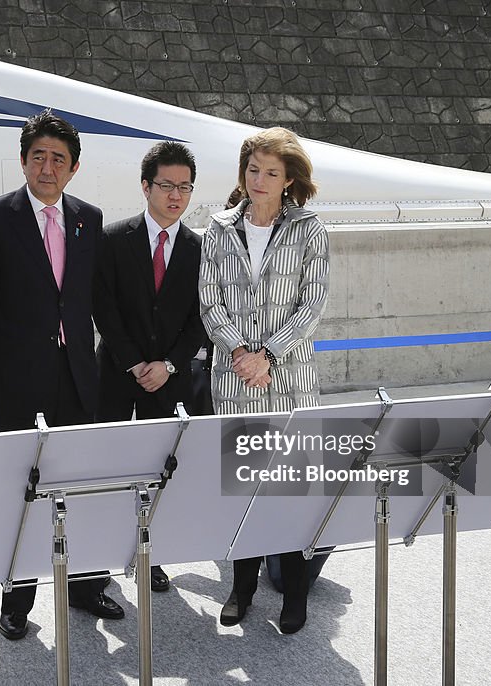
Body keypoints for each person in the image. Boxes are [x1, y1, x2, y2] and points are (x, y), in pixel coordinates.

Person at [0, 109, 122, 640]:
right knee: (21, 493)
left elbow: (93, 299)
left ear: (73, 168)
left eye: (59, 158)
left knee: (79, 486)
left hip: (78, 376)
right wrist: (14, 354)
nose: (47, 167)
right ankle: (16, 603)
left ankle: (86, 588)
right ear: (24, 160)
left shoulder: (88, 218)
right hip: (19, 381)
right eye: (39, 156)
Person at [199, 127, 330, 635]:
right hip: (234, 382)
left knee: (290, 494)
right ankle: (242, 590)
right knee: (244, 491)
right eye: (253, 169)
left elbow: (312, 305)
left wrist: (268, 356)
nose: (259, 179)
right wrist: (239, 351)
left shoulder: (310, 230)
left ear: (288, 178)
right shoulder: (218, 229)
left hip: (289, 381)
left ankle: (295, 596)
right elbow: (209, 302)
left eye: (271, 172)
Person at [93, 141, 206, 592]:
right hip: (118, 374)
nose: (175, 195)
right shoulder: (113, 238)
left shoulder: (202, 249)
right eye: (166, 185)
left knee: (160, 470)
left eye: (185, 187)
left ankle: (149, 553)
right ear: (146, 186)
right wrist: (135, 361)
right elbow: (103, 307)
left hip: (169, 380)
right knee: (110, 464)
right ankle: (99, 556)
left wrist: (170, 365)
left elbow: (203, 316)